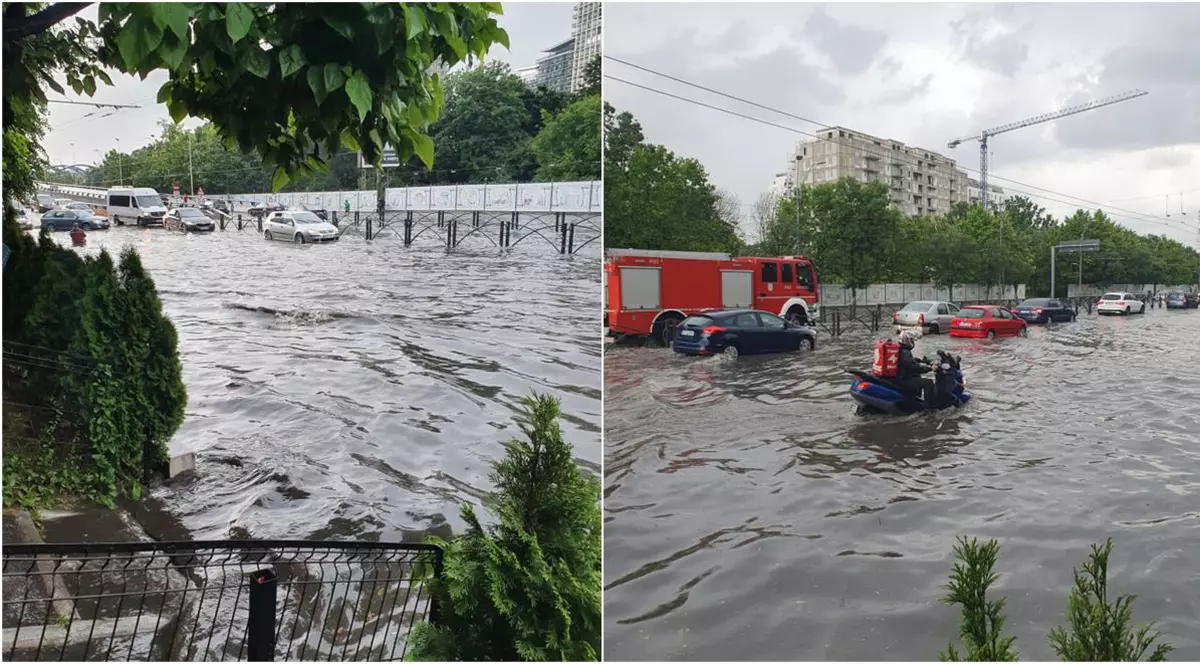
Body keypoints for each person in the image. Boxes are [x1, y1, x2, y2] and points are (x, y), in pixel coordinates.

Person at [895, 330, 935, 408]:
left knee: (919, 378)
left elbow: (910, 362)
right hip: (904, 380)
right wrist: (930, 368)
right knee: (928, 383)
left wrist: (921, 360)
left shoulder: (902, 350)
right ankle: (928, 409)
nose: (913, 342)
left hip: (903, 377)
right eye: (912, 340)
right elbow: (914, 367)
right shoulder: (905, 352)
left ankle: (915, 400)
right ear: (907, 341)